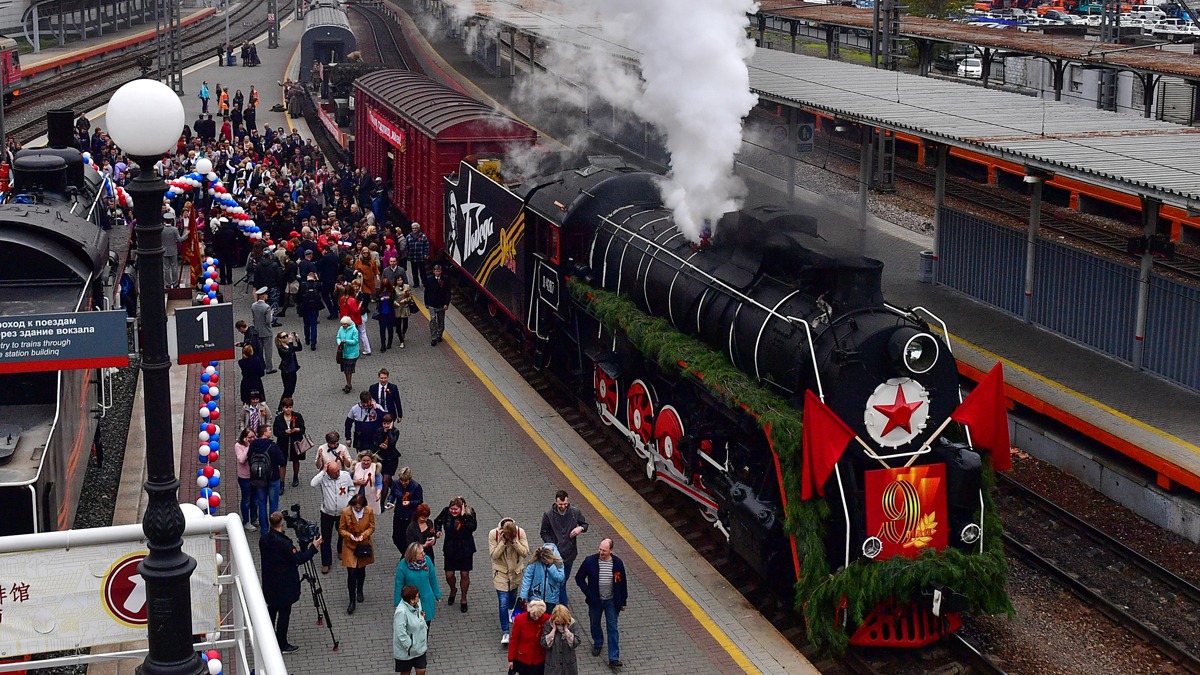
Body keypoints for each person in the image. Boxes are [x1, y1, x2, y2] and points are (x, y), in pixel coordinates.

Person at [259, 511, 321, 654]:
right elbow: (299, 558)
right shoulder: (284, 543)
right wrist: (314, 547)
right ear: (281, 523)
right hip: (284, 586)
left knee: (271, 611)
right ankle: (282, 643)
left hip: (269, 583)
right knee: (284, 614)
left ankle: (266, 640)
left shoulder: (264, 539)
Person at [574, 538, 627, 668]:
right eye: (600, 549)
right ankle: (598, 642)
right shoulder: (590, 561)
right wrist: (589, 593)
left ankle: (613, 658)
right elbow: (579, 578)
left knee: (613, 628)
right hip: (595, 601)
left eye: (604, 550)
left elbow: (622, 583)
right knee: (595, 623)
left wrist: (623, 601)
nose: (601, 552)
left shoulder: (617, 563)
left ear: (611, 550)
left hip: (611, 601)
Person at [540, 490, 589, 607]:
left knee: (563, 580)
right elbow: (544, 532)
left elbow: (585, 525)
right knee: (561, 582)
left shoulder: (575, 512)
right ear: (555, 502)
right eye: (560, 504)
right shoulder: (548, 515)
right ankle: (563, 607)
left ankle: (555, 600)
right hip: (555, 555)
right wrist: (552, 545)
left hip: (569, 554)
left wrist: (580, 528)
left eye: (565, 504)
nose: (563, 507)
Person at [489, 517, 530, 645]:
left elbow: (525, 552)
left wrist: (514, 542)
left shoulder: (520, 532)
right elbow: (494, 555)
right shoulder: (493, 534)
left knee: (512, 596)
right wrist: (502, 542)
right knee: (503, 602)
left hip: (515, 573)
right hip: (500, 573)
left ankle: (511, 610)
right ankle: (505, 632)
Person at [311, 460, 355, 574]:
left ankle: (340, 550)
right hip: (327, 513)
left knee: (342, 533)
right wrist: (323, 471)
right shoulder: (323, 478)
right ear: (328, 472)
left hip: (342, 513)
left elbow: (352, 489)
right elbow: (313, 484)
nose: (337, 473)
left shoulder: (345, 476)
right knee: (325, 538)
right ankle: (326, 563)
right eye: (334, 472)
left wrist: (348, 502)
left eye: (338, 470)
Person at [434, 497, 477, 613]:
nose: (453, 511)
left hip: (465, 548)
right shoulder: (446, 512)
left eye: (456, 509)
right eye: (451, 509)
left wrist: (463, 516)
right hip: (450, 547)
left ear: (462, 508)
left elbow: (473, 527)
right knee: (449, 575)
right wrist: (437, 530)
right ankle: (453, 589)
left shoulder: (469, 513)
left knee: (464, 574)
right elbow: (437, 521)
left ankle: (464, 598)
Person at [338, 492, 376, 615]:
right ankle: (352, 600)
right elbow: (341, 529)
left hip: (363, 544)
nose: (358, 509)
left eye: (360, 508)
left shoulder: (369, 511)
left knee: (361, 570)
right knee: (351, 572)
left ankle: (360, 589)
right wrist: (349, 535)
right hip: (349, 546)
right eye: (355, 507)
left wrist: (364, 535)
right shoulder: (345, 512)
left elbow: (372, 527)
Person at [248, 426, 286, 536]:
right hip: (273, 478)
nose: (270, 431)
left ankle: (264, 530)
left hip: (258, 479)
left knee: (262, 503)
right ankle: (274, 529)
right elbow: (282, 461)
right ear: (264, 433)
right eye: (269, 430)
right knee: (273, 504)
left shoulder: (253, 446)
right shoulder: (272, 446)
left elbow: (249, 460)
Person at [393, 543, 442, 626]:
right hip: (411, 601)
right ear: (413, 556)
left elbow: (433, 578)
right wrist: (397, 602)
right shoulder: (403, 564)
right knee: (413, 626)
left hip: (426, 599)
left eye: (423, 551)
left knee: (426, 625)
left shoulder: (427, 560)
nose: (424, 554)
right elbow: (399, 584)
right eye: (420, 553)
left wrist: (437, 595)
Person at [519, 543, 565, 615]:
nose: (546, 563)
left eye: (547, 562)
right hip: (536, 597)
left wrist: (551, 567)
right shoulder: (535, 561)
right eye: (543, 562)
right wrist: (523, 596)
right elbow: (527, 579)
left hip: (551, 598)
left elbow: (560, 578)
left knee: (548, 618)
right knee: (535, 618)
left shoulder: (558, 561)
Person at [508, 599, 550, 675]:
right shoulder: (520, 620)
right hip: (524, 659)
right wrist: (511, 659)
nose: (536, 618)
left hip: (539, 658)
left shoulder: (547, 619)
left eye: (539, 615)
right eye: (534, 615)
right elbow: (514, 640)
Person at [393, 585, 428, 675]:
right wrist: (410, 646)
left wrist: (422, 619)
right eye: (417, 596)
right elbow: (401, 633)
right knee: (406, 672)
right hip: (406, 651)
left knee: (421, 670)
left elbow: (419, 616)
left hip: (419, 647)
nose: (419, 598)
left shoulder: (417, 603)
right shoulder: (401, 612)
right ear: (411, 600)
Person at [272, 397, 307, 487]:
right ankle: (281, 483)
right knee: (282, 463)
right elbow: (275, 432)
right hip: (283, 444)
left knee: (296, 460)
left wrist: (297, 430)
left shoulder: (297, 416)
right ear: (283, 408)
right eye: (286, 407)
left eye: (290, 407)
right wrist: (284, 432)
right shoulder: (279, 418)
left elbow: (303, 429)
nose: (288, 409)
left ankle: (295, 477)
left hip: (295, 443)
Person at [388, 467, 424, 552]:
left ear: (410, 479)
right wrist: (390, 501)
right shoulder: (396, 484)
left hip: (410, 516)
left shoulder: (416, 486)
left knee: (408, 538)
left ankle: (407, 554)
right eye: (401, 481)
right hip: (399, 514)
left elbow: (419, 500)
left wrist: (410, 503)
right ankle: (405, 553)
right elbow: (392, 494)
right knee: (396, 537)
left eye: (405, 481)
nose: (403, 483)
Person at [541, 605, 581, 675]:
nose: (559, 625)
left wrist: (567, 631)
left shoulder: (573, 624)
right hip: (553, 665)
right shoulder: (548, 624)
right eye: (557, 623)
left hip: (569, 666)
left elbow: (576, 642)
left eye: (562, 624)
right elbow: (544, 643)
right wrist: (553, 631)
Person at [234, 427, 259, 531]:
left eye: (254, 436)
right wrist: (248, 447)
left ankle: (254, 518)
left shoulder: (256, 443)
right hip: (245, 477)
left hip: (255, 476)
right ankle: (246, 521)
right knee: (246, 499)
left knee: (255, 499)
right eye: (250, 437)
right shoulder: (238, 446)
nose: (252, 439)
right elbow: (241, 459)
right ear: (244, 438)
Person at [374, 414, 401, 503]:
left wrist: (389, 431)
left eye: (388, 423)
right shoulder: (379, 430)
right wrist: (379, 445)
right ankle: (396, 490)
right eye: (384, 423)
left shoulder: (395, 431)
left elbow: (392, 442)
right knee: (388, 480)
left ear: (391, 423)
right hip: (381, 458)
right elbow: (375, 441)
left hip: (391, 459)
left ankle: (382, 502)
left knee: (385, 480)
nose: (386, 425)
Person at [252, 287, 277, 373]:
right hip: (266, 332)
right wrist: (271, 314)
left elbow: (254, 318)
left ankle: (260, 366)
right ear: (263, 296)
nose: (267, 296)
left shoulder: (254, 305)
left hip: (257, 331)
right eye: (266, 294)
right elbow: (268, 321)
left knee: (259, 350)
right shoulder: (266, 307)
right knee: (268, 351)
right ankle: (269, 368)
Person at [275, 331, 303, 410]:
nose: (286, 337)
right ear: (280, 339)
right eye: (284, 337)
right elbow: (288, 353)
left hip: (293, 370)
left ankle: (287, 405)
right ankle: (281, 407)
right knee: (287, 390)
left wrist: (297, 339)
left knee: (292, 390)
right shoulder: (281, 348)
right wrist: (290, 342)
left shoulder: (288, 345)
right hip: (286, 372)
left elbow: (299, 348)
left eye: (286, 335)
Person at [424, 264, 449, 347]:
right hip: (432, 304)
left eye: (439, 271)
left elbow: (448, 292)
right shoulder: (429, 279)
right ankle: (433, 337)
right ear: (433, 271)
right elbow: (426, 292)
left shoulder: (445, 279)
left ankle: (439, 334)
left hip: (441, 304)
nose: (438, 273)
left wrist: (446, 303)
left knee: (440, 320)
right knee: (433, 320)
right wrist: (426, 303)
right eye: (436, 271)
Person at [299, 271, 323, 349]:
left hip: (305, 307)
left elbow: (298, 297)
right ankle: (313, 343)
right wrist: (318, 279)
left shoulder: (303, 285)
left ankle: (307, 339)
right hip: (315, 307)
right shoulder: (317, 285)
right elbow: (321, 290)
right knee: (314, 326)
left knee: (306, 324)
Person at [336, 316, 360, 393]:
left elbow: (355, 341)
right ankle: (348, 383)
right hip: (344, 353)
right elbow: (338, 337)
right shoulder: (341, 329)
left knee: (348, 370)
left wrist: (346, 341)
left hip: (352, 353)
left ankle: (348, 385)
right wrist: (339, 342)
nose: (343, 326)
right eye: (342, 324)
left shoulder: (354, 330)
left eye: (345, 324)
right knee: (346, 369)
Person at [405, 222, 429, 287]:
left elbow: (426, 246)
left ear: (418, 228)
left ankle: (424, 282)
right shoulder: (408, 237)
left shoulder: (423, 237)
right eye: (413, 228)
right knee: (414, 271)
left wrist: (426, 253)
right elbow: (406, 246)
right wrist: (407, 254)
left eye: (415, 228)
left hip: (420, 257)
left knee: (422, 271)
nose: (414, 229)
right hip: (412, 257)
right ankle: (416, 283)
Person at [376, 278, 397, 351]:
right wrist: (380, 299)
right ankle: (383, 345)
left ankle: (389, 343)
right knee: (382, 330)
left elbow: (393, 300)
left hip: (390, 313)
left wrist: (389, 298)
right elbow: (376, 299)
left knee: (390, 329)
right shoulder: (379, 291)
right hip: (382, 313)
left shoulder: (392, 291)